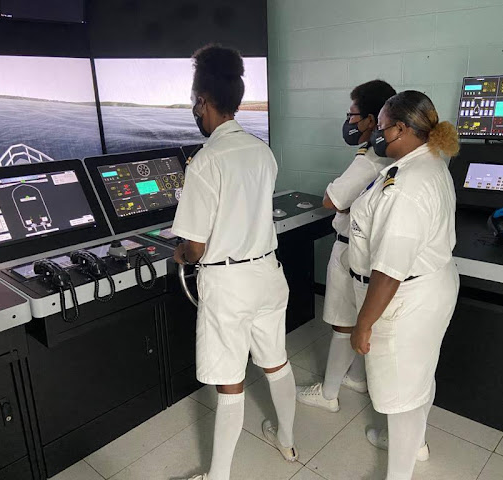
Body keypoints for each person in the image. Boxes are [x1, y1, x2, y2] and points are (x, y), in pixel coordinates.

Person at [172, 45, 298, 480]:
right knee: (276, 361)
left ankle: (219, 476)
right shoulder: (263, 151)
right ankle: (286, 440)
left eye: (195, 102)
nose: (195, 109)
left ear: (203, 101)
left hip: (228, 286)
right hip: (267, 273)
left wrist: (181, 252)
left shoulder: (205, 162)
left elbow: (196, 248)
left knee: (231, 383)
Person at [348, 90, 461, 480]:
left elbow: (390, 270)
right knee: (418, 376)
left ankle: (399, 472)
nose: (375, 134)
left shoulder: (409, 185)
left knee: (399, 396)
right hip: (431, 286)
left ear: (400, 128)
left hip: (405, 296)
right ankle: (417, 445)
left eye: (380, 128)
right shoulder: (429, 159)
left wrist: (364, 323)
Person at [297, 80, 396, 412]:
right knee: (358, 315)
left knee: (343, 322)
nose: (349, 121)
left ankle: (328, 394)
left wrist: (336, 193)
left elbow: (331, 200)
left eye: (353, 114)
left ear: (371, 119)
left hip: (348, 248)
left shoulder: (368, 160)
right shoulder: (389, 155)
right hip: (371, 253)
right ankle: (357, 377)